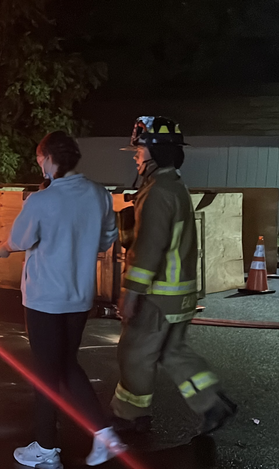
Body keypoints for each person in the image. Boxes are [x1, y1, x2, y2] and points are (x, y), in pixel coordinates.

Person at [0, 132, 125, 469]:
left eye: (41, 161)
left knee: (45, 372)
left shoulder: (41, 201)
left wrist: (6, 245)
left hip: (44, 299)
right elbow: (108, 238)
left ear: (50, 159)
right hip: (79, 297)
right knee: (66, 365)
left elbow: (22, 239)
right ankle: (104, 434)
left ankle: (45, 447)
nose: (41, 168)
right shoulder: (99, 194)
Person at [109, 116, 238, 436]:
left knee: (134, 352)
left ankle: (130, 416)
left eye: (139, 150)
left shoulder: (156, 193)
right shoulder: (174, 187)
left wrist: (130, 293)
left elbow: (148, 250)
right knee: (172, 352)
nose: (135, 156)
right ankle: (211, 404)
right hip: (179, 295)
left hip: (157, 296)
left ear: (153, 152)